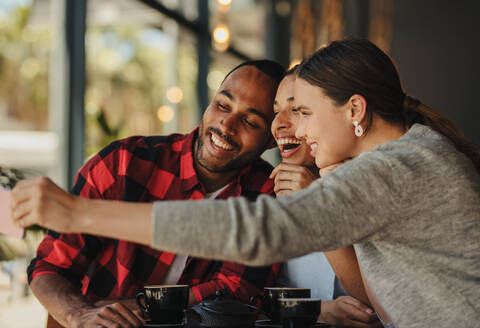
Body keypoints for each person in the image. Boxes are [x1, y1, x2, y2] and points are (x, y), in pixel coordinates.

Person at [11, 39, 480, 328]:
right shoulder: (405, 159)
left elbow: (259, 231)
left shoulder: (396, 168)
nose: (293, 131)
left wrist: (78, 212)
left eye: (302, 112)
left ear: (355, 111)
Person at [25, 60, 285, 328]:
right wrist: (79, 314)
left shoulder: (267, 194)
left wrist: (135, 306)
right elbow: (50, 266)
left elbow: (238, 290)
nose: (226, 126)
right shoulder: (122, 164)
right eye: (222, 105)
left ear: (270, 139)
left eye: (250, 121)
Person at [270, 68, 380, 328]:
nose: (278, 123)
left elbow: (387, 296)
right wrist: (318, 310)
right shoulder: (279, 194)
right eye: (276, 111)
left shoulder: (374, 183)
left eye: (298, 110)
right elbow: (269, 290)